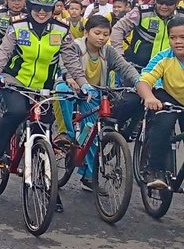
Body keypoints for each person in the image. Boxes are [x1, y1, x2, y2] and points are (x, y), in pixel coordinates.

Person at [0, 0, 90, 168]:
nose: (42, 12)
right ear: (30, 6)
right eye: (37, 7)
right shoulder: (17, 26)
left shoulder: (61, 30)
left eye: (47, 8)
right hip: (15, 81)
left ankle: (46, 180)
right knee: (16, 112)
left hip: (44, 87)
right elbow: (4, 52)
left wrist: (83, 83)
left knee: (44, 128)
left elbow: (71, 61)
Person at [54, 15, 139, 192]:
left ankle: (89, 175)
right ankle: (66, 134)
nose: (101, 37)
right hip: (74, 89)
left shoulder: (108, 51)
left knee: (93, 133)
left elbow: (125, 68)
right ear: (87, 32)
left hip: (94, 94)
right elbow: (65, 65)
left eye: (105, 34)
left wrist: (141, 83)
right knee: (62, 90)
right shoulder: (76, 46)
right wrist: (71, 78)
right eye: (97, 33)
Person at [134, 16, 184, 190]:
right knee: (163, 122)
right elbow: (143, 81)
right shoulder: (164, 58)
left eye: (183, 37)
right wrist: (149, 97)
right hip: (169, 99)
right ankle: (154, 170)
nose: (177, 42)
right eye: (173, 37)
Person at [112, 0, 183, 69]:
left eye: (169, 3)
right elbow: (118, 29)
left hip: (171, 69)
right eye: (160, 1)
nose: (164, 6)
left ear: (177, 2)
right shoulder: (141, 12)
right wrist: (119, 53)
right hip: (138, 67)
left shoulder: (181, 15)